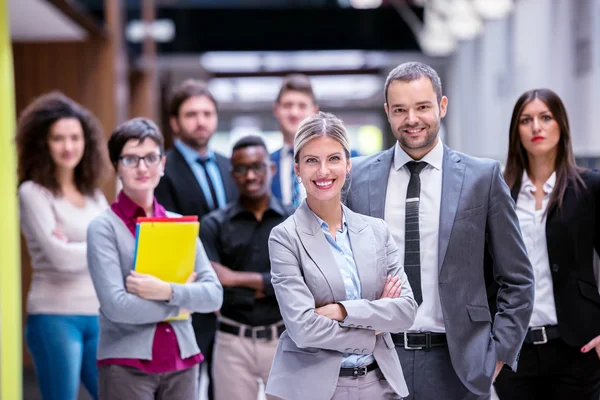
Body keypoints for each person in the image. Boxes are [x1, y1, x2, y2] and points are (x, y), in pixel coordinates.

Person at [344, 62, 535, 399]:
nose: (412, 119)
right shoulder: (357, 178)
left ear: (442, 106)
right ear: (388, 112)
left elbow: (518, 278)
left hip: (459, 363)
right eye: (400, 109)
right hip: (379, 360)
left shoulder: (482, 177)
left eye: (422, 107)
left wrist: (500, 352)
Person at [266, 111, 417, 400]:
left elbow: (405, 310)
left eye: (334, 158)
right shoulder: (285, 237)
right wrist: (373, 327)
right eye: (312, 160)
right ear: (297, 168)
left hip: (379, 383)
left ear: (348, 164)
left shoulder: (376, 232)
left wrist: (342, 311)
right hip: (313, 388)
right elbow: (303, 328)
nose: (323, 171)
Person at [86, 118, 223, 399]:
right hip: (126, 366)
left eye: (150, 158)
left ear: (162, 164)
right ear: (116, 167)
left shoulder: (179, 225)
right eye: (130, 159)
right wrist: (183, 303)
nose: (142, 167)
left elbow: (214, 296)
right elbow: (117, 307)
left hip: (183, 361)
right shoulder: (103, 227)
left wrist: (167, 291)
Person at [493, 88, 600, 399]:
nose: (536, 127)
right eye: (526, 120)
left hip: (578, 349)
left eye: (545, 117)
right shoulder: (500, 195)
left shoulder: (589, 188)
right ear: (517, 131)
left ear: (561, 125)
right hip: (516, 354)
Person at [17, 92, 109, 400]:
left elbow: (117, 246)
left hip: (98, 315)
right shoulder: (33, 193)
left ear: (87, 141)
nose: (68, 146)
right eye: (58, 138)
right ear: (44, 142)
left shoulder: (94, 194)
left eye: (75, 137)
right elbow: (61, 260)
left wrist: (78, 244)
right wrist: (99, 245)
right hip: (54, 316)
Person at [154, 79, 237, 398]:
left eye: (207, 113)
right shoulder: (162, 169)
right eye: (191, 114)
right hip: (188, 292)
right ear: (175, 122)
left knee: (225, 385)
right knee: (182, 384)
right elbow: (171, 233)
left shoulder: (229, 166)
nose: (200, 121)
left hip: (229, 297)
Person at [199, 135, 292, 400]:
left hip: (284, 339)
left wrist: (235, 278)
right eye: (241, 169)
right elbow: (214, 289)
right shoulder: (213, 225)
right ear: (232, 174)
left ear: (271, 168)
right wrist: (272, 284)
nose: (250, 175)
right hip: (231, 341)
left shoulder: (294, 220)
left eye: (257, 166)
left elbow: (302, 282)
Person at [270, 74, 359, 208]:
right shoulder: (265, 165)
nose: (294, 113)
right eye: (288, 105)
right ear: (276, 110)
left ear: (314, 111)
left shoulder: (350, 158)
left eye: (302, 106)